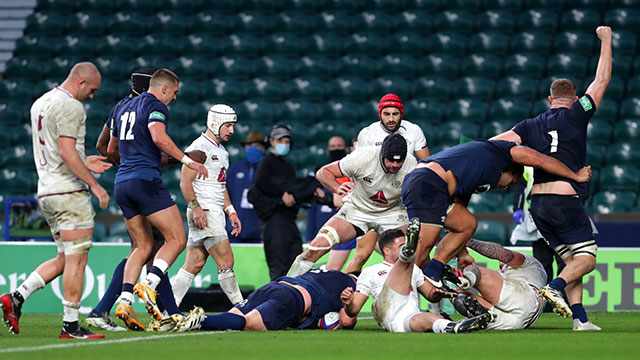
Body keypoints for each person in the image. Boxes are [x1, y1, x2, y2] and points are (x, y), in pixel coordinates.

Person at [490, 27, 612, 331]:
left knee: (574, 261)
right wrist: (607, 41)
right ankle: (554, 288)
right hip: (564, 201)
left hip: (539, 207)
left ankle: (580, 320)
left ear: (550, 99)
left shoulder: (530, 124)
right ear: (572, 99)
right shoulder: (578, 113)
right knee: (588, 259)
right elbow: (602, 80)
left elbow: (497, 142)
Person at [1, 62, 111, 339]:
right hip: (69, 194)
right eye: (93, 90)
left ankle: (16, 297)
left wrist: (84, 161)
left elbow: (55, 151)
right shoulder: (71, 106)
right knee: (77, 259)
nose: (92, 96)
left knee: (64, 257)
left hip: (47, 192)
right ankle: (71, 326)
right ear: (82, 82)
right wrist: (95, 185)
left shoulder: (40, 102)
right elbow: (65, 151)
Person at [400, 139, 592, 294]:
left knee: (467, 224)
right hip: (428, 185)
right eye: (511, 181)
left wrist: (462, 253)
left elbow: (460, 208)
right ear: (508, 170)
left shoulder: (480, 165)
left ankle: (434, 270)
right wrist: (574, 176)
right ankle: (399, 297)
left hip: (429, 185)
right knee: (422, 249)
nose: (506, 187)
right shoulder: (495, 162)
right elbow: (540, 160)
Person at [88, 69, 200, 332]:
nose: (174, 97)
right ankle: (150, 293)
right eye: (173, 92)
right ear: (157, 86)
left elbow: (106, 147)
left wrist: (127, 166)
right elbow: (158, 138)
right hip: (145, 181)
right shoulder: (152, 105)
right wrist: (185, 159)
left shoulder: (121, 106)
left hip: (122, 183)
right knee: (176, 240)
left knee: (144, 247)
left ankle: (127, 302)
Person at [287, 133, 418, 277]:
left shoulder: (411, 165)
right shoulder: (362, 158)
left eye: (399, 162)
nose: (395, 165)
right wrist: (336, 188)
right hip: (357, 210)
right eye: (391, 160)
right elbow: (323, 172)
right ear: (382, 154)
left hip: (391, 213)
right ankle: (286, 290)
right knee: (315, 248)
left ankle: (425, 298)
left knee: (411, 259)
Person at [341, 224, 491, 333]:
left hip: (403, 319)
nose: (404, 245)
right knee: (404, 265)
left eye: (406, 244)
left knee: (431, 319)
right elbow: (354, 310)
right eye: (402, 245)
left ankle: (455, 327)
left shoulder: (416, 270)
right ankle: (407, 254)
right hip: (385, 308)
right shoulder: (372, 271)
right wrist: (348, 303)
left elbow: (430, 294)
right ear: (386, 251)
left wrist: (436, 294)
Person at [170, 104, 244, 308]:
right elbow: (185, 181)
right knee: (226, 262)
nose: (232, 130)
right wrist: (196, 207)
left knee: (194, 264)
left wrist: (231, 211)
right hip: (205, 211)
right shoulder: (198, 148)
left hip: (212, 210)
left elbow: (220, 184)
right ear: (215, 123)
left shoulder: (221, 150)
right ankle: (242, 308)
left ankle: (167, 307)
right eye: (228, 125)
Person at [248, 124, 322, 280]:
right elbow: (260, 182)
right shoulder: (266, 162)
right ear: (272, 141)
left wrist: (293, 196)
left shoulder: (287, 166)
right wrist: (282, 195)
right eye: (281, 140)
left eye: (287, 141)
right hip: (274, 220)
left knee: (295, 261)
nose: (285, 144)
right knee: (279, 265)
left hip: (288, 219)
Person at [174, 269, 358, 332]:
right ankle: (197, 320)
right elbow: (347, 319)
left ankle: (176, 318)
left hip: (274, 286)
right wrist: (349, 306)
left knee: (230, 319)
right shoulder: (352, 286)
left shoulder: (328, 272)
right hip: (292, 299)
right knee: (247, 324)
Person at [452, 238, 547, 330]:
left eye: (502, 264)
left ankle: (463, 279)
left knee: (473, 270)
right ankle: (485, 314)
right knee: (457, 295)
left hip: (526, 299)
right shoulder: (507, 277)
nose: (500, 267)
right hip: (516, 322)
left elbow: (501, 253)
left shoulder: (529, 263)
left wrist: (466, 240)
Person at [510, 167, 565, 314]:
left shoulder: (560, 161)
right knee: (543, 264)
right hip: (537, 220)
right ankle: (545, 303)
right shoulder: (529, 167)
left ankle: (564, 299)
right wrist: (517, 208)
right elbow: (521, 187)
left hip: (560, 218)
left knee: (564, 263)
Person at [305, 135, 355, 270]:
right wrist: (310, 235)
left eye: (339, 146)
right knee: (332, 270)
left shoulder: (358, 171)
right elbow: (314, 205)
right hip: (335, 227)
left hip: (356, 225)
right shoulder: (322, 172)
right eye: (333, 147)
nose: (336, 149)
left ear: (346, 149)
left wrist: (327, 197)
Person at [357, 93, 430, 160]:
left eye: (395, 114)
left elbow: (426, 163)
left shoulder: (414, 130)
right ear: (380, 115)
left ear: (401, 115)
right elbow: (359, 164)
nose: (391, 119)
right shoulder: (367, 133)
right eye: (386, 114)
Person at [225, 130, 266, 243]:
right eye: (250, 145)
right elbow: (225, 196)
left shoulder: (268, 169)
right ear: (245, 148)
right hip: (234, 229)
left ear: (263, 148)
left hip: (259, 232)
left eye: (257, 145)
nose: (253, 148)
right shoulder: (235, 168)